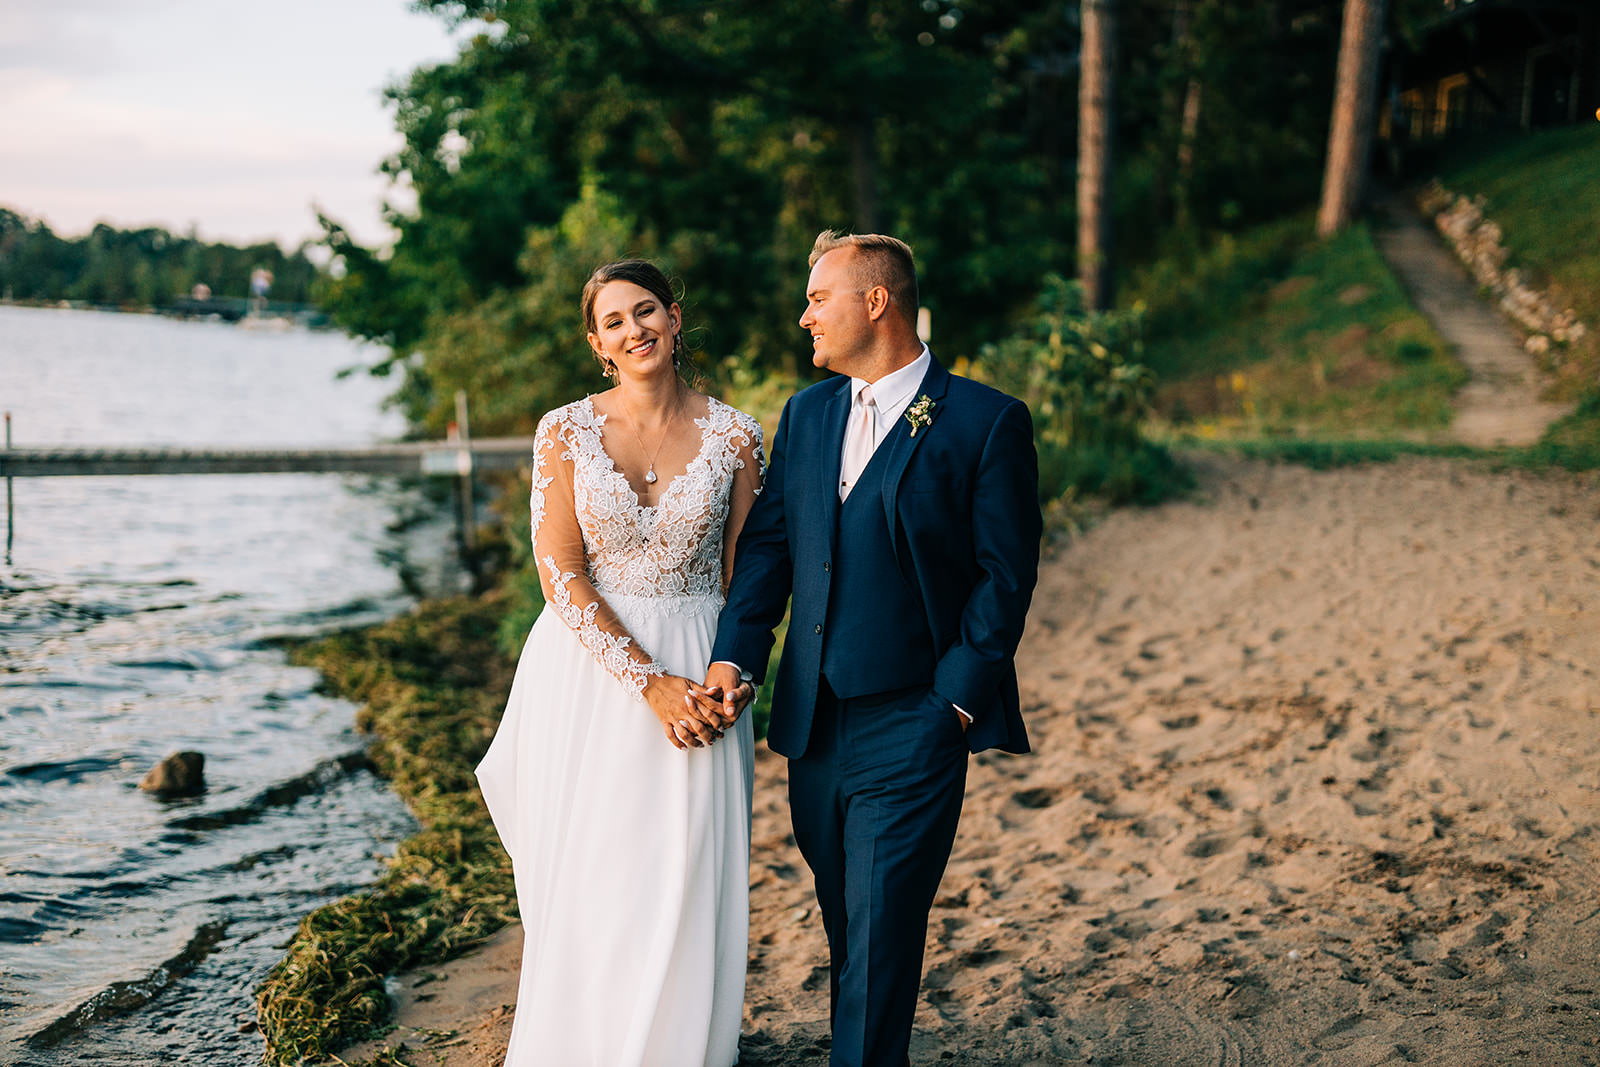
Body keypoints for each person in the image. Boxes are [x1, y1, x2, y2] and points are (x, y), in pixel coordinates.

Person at [706, 232, 1041, 1067]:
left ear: (876, 302)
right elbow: (773, 550)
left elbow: (1005, 577)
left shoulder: (984, 421)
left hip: (916, 722)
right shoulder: (809, 414)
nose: (804, 315)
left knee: (885, 930)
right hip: (813, 725)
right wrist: (734, 656)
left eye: (819, 298)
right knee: (849, 924)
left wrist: (955, 702)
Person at [475, 260, 764, 1066]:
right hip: (590, 677)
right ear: (597, 343)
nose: (633, 330)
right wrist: (646, 681)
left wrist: (735, 675)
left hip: (705, 671)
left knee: (684, 869)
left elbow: (752, 579)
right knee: (599, 869)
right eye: (614, 321)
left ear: (675, 319)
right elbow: (560, 570)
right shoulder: (563, 430)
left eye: (646, 312)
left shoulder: (737, 435)